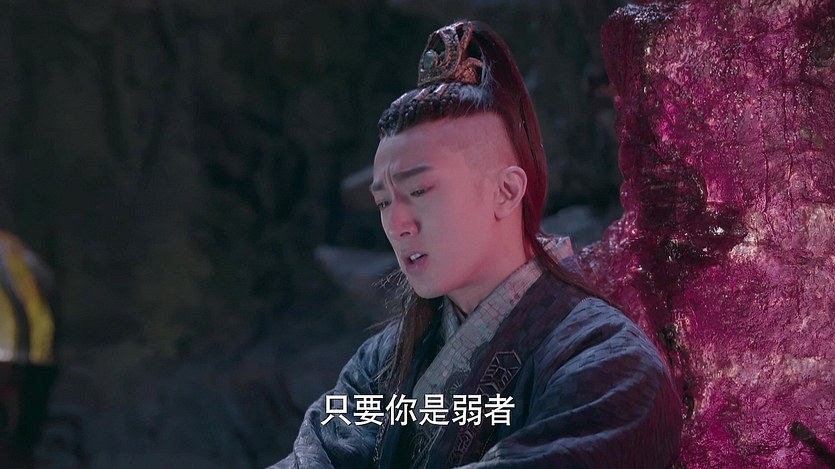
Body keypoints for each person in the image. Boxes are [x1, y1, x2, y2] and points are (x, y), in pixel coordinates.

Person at [270, 20, 682, 468]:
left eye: (420, 191)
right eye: (384, 201)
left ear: (506, 191)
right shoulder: (383, 362)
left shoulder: (609, 366)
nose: (397, 224)